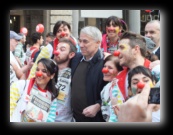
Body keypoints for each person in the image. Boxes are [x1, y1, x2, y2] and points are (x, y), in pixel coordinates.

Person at [70, 26, 108, 122]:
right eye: (80, 41)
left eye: (85, 41)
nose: (81, 45)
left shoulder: (104, 64)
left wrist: (98, 105)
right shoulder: (76, 59)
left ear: (98, 43)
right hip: (75, 118)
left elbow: (111, 92)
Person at [10, 58, 59, 122]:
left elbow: (50, 120)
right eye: (37, 70)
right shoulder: (20, 86)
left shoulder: (52, 98)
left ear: (52, 75)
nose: (39, 73)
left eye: (44, 71)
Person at [115, 31, 160, 100]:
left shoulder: (157, 72)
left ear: (136, 49)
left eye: (122, 47)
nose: (117, 52)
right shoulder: (118, 78)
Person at [47, 38, 77, 122]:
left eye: (62, 49)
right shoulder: (47, 72)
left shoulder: (74, 74)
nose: (57, 52)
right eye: (56, 49)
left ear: (71, 55)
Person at [100, 55, 124, 122]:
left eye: (110, 68)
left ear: (119, 71)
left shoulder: (118, 88)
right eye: (105, 66)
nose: (105, 70)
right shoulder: (107, 87)